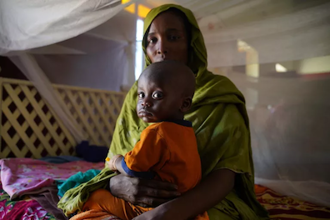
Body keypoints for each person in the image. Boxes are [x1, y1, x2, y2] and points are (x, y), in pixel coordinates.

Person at [58, 4, 269, 220]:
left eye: (173, 37)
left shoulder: (219, 94)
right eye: (152, 40)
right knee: (85, 199)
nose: (161, 48)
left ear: (191, 44)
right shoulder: (137, 94)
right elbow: (116, 156)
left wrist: (166, 212)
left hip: (198, 200)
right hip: (135, 196)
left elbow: (226, 173)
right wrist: (116, 184)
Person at [70, 61, 208, 220]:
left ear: (184, 104)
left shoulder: (156, 132)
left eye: (157, 95)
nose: (145, 102)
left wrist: (116, 161)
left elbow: (132, 168)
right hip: (182, 208)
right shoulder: (188, 132)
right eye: (141, 94)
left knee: (95, 197)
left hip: (149, 208)